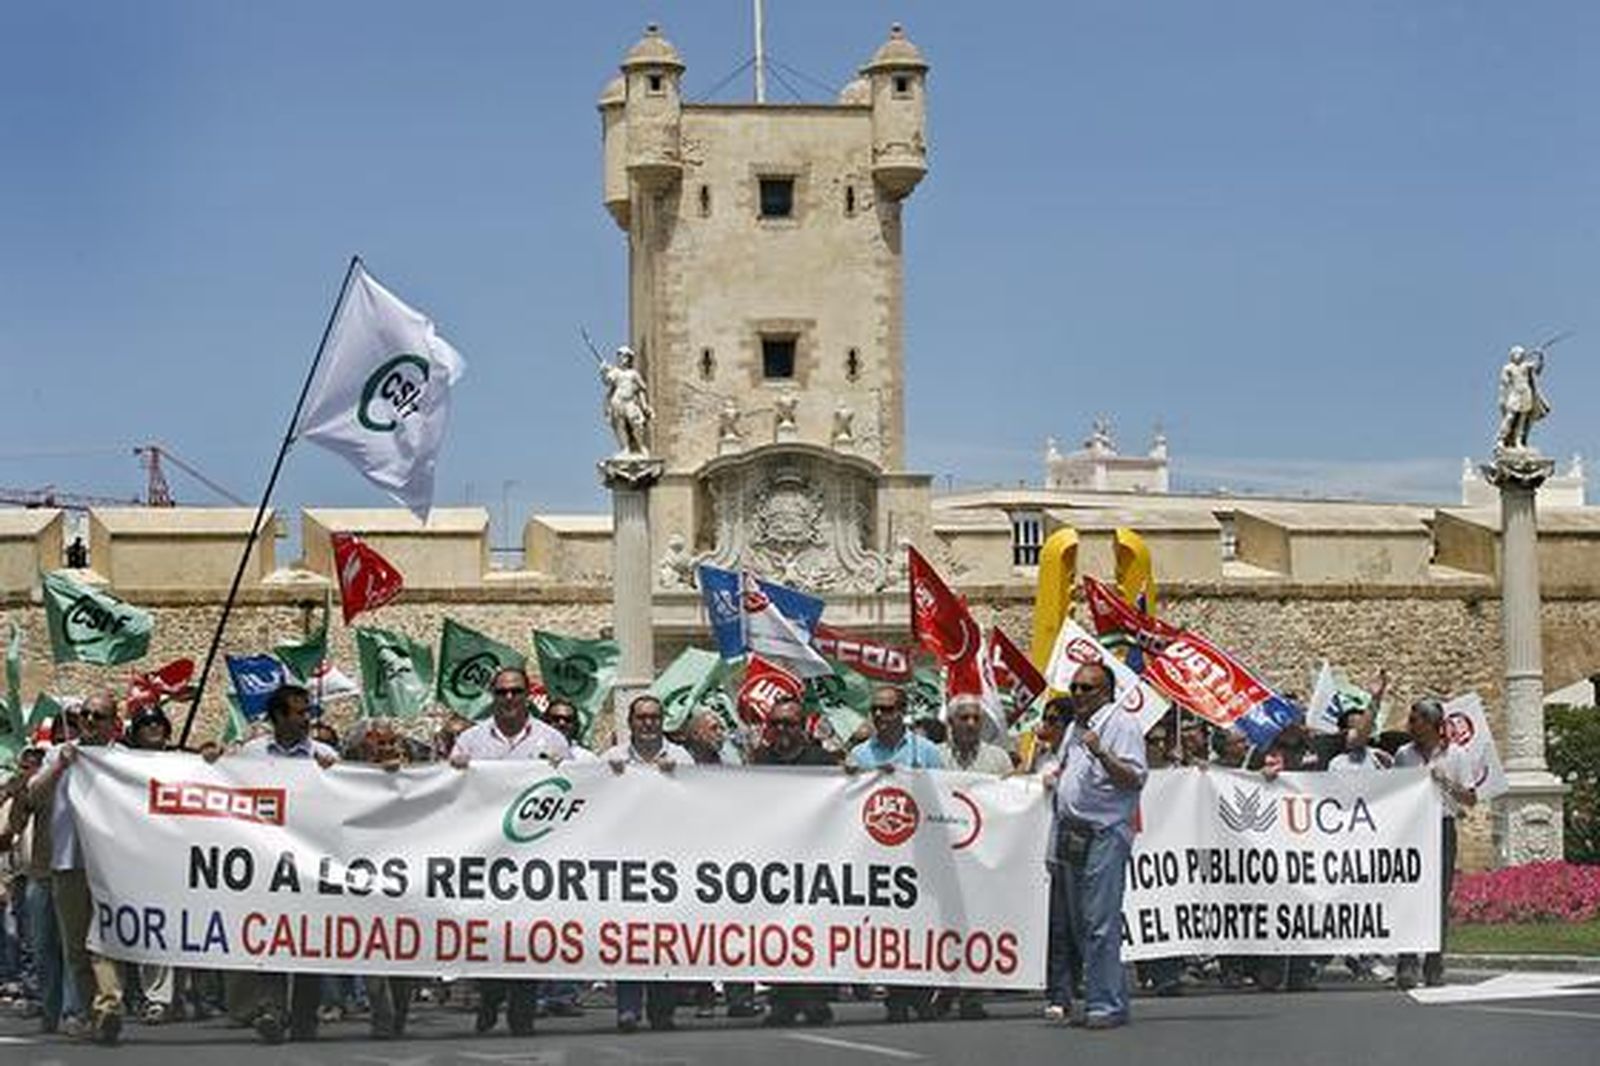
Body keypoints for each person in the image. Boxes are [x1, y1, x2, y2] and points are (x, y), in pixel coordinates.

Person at [204, 684, 337, 1042]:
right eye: (299, 712)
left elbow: (350, 795)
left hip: (311, 864)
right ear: (279, 716)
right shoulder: (252, 753)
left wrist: (334, 773)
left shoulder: (324, 755)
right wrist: (214, 758)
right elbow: (223, 780)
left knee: (308, 941)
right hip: (267, 862)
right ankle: (273, 1011)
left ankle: (305, 1016)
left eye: (309, 712)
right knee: (273, 938)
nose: (307, 719)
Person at [449, 667, 569, 1037]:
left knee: (528, 933)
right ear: (493, 696)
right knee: (490, 933)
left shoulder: (551, 739)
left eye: (517, 692)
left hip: (535, 851)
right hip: (486, 853)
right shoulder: (470, 740)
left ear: (527, 695)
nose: (510, 699)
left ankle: (522, 1013)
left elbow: (576, 786)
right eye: (502, 693)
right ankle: (490, 996)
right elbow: (448, 788)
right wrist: (454, 769)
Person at [26, 692, 127, 1044]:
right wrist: (58, 766)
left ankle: (109, 1006)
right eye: (84, 714)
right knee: (76, 947)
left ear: (113, 722)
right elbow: (33, 797)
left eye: (98, 716)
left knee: (106, 942)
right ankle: (92, 1014)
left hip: (112, 866)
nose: (88, 721)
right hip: (68, 863)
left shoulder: (125, 760)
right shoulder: (59, 754)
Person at [1052, 662, 1147, 1029]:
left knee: (1099, 921)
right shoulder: (1075, 728)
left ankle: (1105, 1003)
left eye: (1087, 688)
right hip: (1072, 833)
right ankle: (1106, 995)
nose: (1078, 694)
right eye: (1074, 687)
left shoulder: (1120, 724)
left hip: (1104, 832)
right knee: (1079, 922)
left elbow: (1135, 778)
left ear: (1106, 692)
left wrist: (1103, 754)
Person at [849, 686, 944, 1022]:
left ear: (902, 712)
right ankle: (896, 996)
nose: (879, 716)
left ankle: (920, 994)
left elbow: (945, 796)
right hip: (877, 854)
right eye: (875, 709)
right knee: (888, 927)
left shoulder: (927, 751)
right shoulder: (860, 755)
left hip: (919, 852)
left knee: (919, 925)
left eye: (887, 710)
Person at [600, 695, 690, 1033]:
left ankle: (662, 1010)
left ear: (662, 720)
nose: (648, 723)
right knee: (629, 937)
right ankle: (627, 1009)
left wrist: (678, 778)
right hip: (626, 860)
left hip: (669, 861)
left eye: (655, 717)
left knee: (665, 937)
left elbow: (700, 799)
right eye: (642, 717)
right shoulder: (611, 758)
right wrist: (609, 779)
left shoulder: (681, 757)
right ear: (631, 722)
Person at [751, 696, 838, 1026]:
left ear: (802, 727)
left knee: (813, 932)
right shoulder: (760, 761)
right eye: (775, 724)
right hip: (775, 862)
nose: (782, 730)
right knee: (777, 933)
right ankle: (783, 1001)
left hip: (816, 861)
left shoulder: (822, 760)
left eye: (788, 723)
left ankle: (815, 999)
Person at [933, 694, 1010, 1019]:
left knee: (978, 924)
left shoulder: (999, 760)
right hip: (944, 857)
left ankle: (972, 993)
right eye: (963, 718)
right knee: (943, 925)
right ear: (950, 724)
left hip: (984, 857)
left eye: (975, 719)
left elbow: (1013, 801)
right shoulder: (934, 758)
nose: (970, 724)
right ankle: (945, 987)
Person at [1394, 697, 1476, 990]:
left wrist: (1446, 783)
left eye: (1415, 721)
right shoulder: (1404, 755)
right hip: (1412, 830)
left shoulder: (1456, 755)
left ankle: (1434, 963)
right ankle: (1406, 962)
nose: (1409, 726)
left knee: (1438, 898)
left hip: (1441, 827)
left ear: (1431, 724)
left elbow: (1470, 798)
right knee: (1408, 895)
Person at [601, 344, 653, 455]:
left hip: (630, 402)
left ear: (629, 359)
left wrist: (644, 405)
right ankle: (625, 448)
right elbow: (607, 381)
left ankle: (641, 446)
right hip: (617, 402)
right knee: (620, 425)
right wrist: (603, 371)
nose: (621, 359)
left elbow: (641, 390)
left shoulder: (633, 374)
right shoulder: (615, 372)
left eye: (624, 357)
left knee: (636, 423)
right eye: (620, 357)